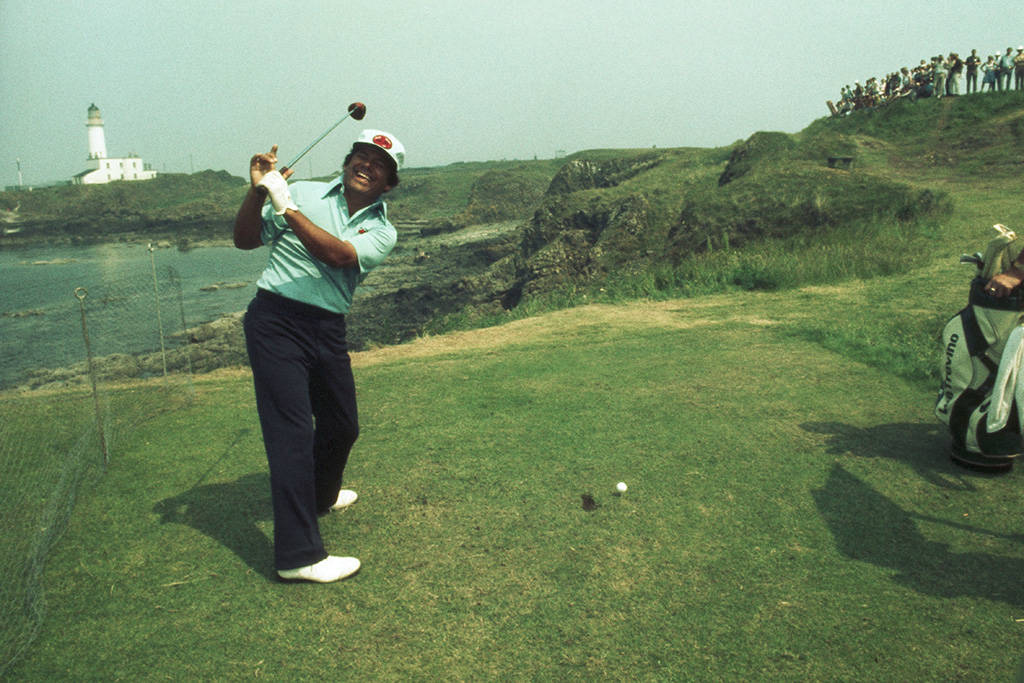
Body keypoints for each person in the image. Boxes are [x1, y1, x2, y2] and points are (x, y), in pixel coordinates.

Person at [233, 128, 406, 583]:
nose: (366, 164)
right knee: (290, 435)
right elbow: (246, 239)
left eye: (379, 164)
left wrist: (284, 204)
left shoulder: (383, 229)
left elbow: (338, 255)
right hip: (275, 321)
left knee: (342, 425)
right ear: (348, 161)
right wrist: (257, 193)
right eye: (361, 155)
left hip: (327, 328)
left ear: (389, 183)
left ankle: (321, 497)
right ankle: (298, 555)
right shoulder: (305, 191)